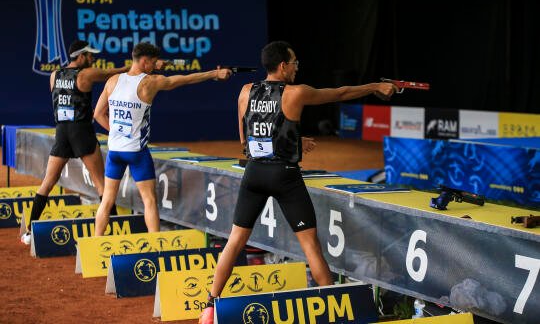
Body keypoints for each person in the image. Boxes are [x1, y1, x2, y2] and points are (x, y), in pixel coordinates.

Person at [199, 41, 397, 323]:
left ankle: (208, 307)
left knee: (234, 242)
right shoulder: (296, 92)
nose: (296, 68)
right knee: (311, 247)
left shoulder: (245, 91)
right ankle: (334, 313)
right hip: (285, 176)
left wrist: (290, 139)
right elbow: (339, 93)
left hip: (254, 173)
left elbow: (246, 141)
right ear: (283, 66)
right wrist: (374, 87)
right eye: (295, 63)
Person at [93, 42, 232, 235]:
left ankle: (96, 243)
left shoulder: (113, 80)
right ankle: (155, 247)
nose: (156, 65)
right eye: (153, 62)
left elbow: (98, 114)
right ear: (144, 61)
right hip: (136, 153)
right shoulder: (151, 82)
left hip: (115, 151)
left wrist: (118, 132)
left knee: (107, 200)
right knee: (149, 200)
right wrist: (214, 74)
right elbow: (184, 79)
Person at [21, 40, 130, 245]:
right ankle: (116, 230)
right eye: (89, 55)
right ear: (80, 56)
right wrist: (135, 66)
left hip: (62, 131)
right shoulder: (86, 74)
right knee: (102, 185)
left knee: (48, 182)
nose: (93, 59)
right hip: (82, 131)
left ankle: (28, 231)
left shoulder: (54, 75)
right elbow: (116, 73)